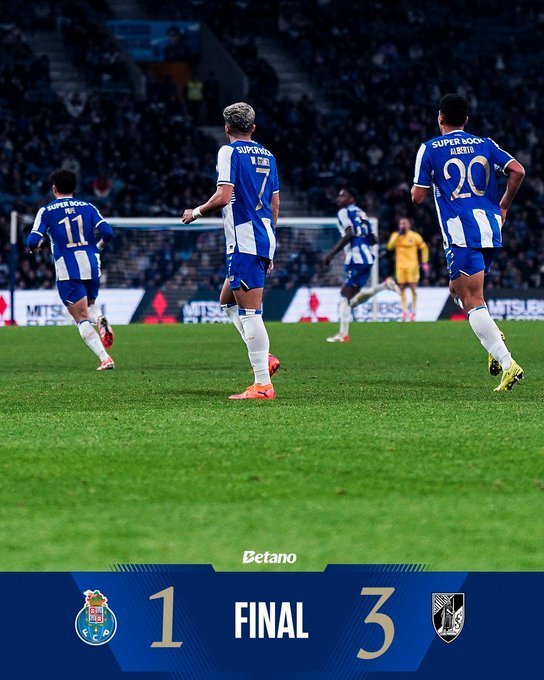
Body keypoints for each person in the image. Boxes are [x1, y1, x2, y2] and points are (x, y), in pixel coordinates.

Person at [411, 93, 525, 391]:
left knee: (472, 300)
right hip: (490, 228)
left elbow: (418, 196)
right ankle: (493, 341)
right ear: (466, 120)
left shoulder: (430, 148)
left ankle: (508, 363)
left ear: (440, 118)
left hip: (462, 233)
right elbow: (517, 170)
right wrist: (503, 206)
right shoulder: (485, 144)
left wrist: (430, 181)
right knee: (458, 290)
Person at [182, 102, 280, 400]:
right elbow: (275, 203)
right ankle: (264, 356)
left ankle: (262, 384)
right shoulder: (268, 155)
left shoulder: (229, 151)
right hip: (263, 236)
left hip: (245, 239)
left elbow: (224, 196)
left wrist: (195, 212)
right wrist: (270, 244)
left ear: (226, 128)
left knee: (250, 312)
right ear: (253, 127)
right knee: (227, 301)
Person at [27, 169, 115, 370]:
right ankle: (99, 319)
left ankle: (105, 358)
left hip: (68, 269)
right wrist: (98, 248)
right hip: (91, 264)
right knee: (90, 306)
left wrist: (35, 248)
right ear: (74, 188)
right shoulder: (88, 207)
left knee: (80, 318)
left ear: (54, 189)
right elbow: (108, 233)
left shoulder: (47, 211)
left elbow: (32, 240)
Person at [323, 187, 399, 342]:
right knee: (351, 300)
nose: (339, 199)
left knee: (344, 296)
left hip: (356, 258)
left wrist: (331, 254)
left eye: (343, 196)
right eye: (339, 196)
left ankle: (343, 335)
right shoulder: (361, 213)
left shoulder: (343, 212)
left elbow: (349, 234)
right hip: (367, 256)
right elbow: (374, 239)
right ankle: (384, 286)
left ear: (352, 199)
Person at [386, 217, 429, 321]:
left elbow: (424, 247)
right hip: (400, 267)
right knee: (401, 288)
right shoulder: (395, 236)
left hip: (412, 266)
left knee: (413, 288)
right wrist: (398, 235)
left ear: (409, 225)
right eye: (401, 224)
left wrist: (424, 262)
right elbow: (389, 247)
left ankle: (413, 311)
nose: (403, 225)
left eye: (405, 223)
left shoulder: (414, 236)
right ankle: (405, 311)